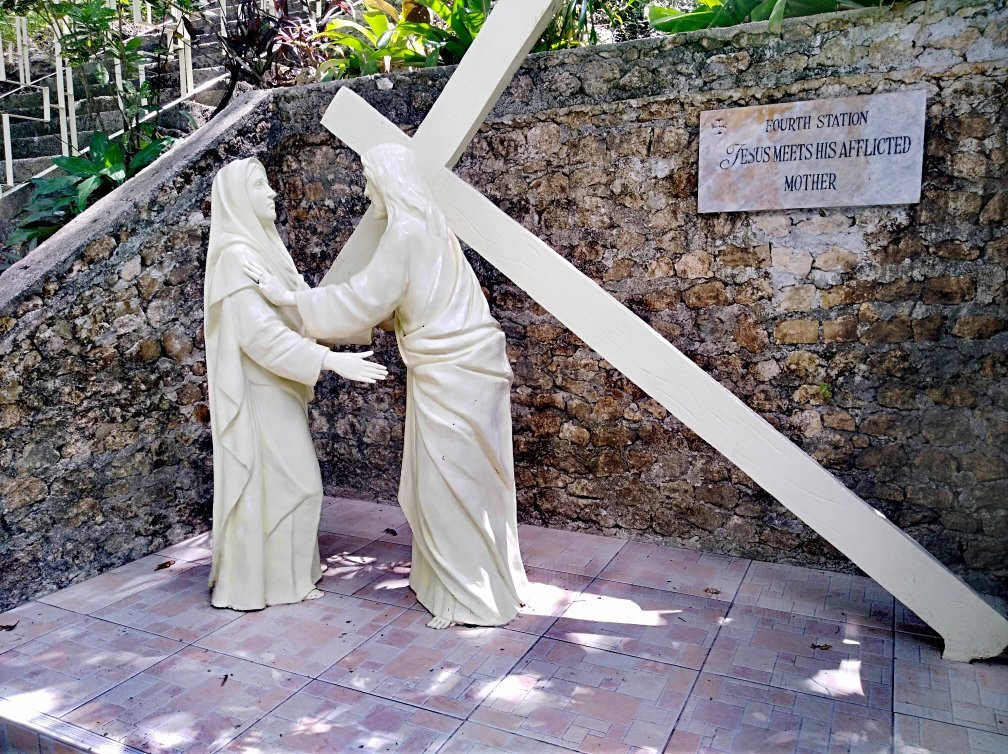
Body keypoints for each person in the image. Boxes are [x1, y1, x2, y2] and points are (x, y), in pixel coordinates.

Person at [243, 143, 530, 628]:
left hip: (451, 374)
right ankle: (465, 584)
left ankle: (472, 598)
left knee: (448, 487)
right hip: (463, 369)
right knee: (469, 483)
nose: (364, 188)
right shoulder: (432, 225)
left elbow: (364, 300)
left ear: (386, 179)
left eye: (368, 178)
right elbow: (397, 301)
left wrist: (286, 297)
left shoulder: (407, 230)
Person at [205, 157, 387, 611]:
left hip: (280, 389)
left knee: (286, 488)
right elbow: (259, 337)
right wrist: (330, 361)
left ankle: (287, 576)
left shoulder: (265, 249)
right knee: (297, 486)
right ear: (239, 200)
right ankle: (270, 581)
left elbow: (294, 306)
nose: (272, 194)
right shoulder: (235, 257)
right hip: (261, 393)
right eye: (261, 188)